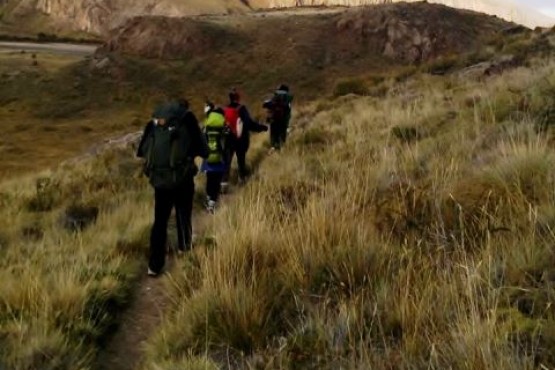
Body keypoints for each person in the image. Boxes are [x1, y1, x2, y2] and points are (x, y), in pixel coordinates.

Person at [137, 99, 208, 277]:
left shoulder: (155, 123)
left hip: (160, 182)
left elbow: (142, 150)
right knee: (183, 215)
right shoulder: (188, 120)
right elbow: (204, 150)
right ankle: (185, 255)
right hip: (183, 179)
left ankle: (154, 264)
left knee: (160, 220)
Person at [221, 88, 268, 190]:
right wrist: (262, 128)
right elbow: (249, 124)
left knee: (227, 162)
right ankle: (242, 180)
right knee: (241, 160)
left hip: (228, 140)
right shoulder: (241, 109)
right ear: (238, 98)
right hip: (241, 140)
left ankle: (224, 183)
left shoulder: (225, 110)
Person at [200, 101, 228, 214]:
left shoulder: (207, 122)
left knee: (210, 179)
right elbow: (227, 139)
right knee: (217, 180)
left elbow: (202, 138)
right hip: (219, 157)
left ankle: (208, 197)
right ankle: (212, 203)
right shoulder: (223, 123)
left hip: (208, 157)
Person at [264, 84, 293, 151]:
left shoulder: (275, 97)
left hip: (274, 120)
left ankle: (274, 147)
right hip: (283, 120)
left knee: (274, 135)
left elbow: (266, 105)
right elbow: (288, 111)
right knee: (282, 136)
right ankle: (281, 149)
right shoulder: (287, 97)